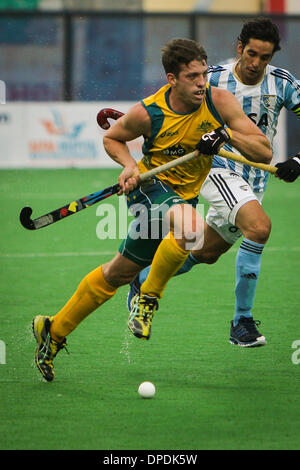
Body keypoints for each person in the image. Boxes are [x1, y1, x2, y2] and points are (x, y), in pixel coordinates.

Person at [32, 38, 271, 382]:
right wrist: (129, 164)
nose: (202, 82)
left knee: (117, 274)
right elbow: (112, 138)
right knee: (191, 229)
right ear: (172, 79)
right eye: (192, 77)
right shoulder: (149, 111)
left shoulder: (219, 103)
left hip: (182, 198)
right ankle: (147, 300)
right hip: (150, 189)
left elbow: (263, 152)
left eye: (204, 74)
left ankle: (52, 331)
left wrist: (225, 134)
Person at [128, 17, 300, 348]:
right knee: (260, 228)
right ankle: (242, 322)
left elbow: (262, 149)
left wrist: (296, 160)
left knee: (206, 252)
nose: (255, 63)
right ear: (239, 47)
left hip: (254, 179)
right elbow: (167, 108)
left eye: (264, 57)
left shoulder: (283, 83)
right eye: (251, 54)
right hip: (214, 168)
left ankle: (142, 280)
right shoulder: (212, 80)